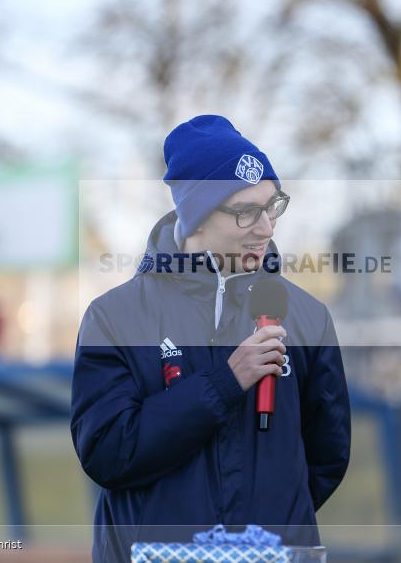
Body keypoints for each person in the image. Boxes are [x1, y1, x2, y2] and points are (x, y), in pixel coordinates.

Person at [71, 115, 350, 562]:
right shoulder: (114, 317)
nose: (266, 228)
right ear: (195, 217)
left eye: (272, 206)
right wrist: (224, 382)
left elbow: (327, 458)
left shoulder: (308, 317)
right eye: (245, 212)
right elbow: (108, 453)